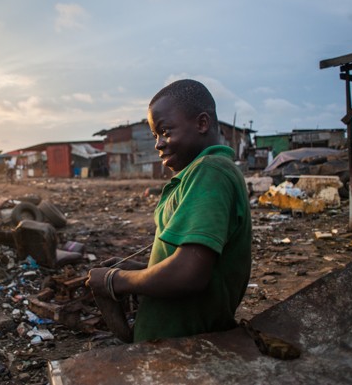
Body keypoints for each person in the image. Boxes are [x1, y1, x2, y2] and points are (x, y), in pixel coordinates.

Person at [86, 79, 252, 343]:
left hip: (181, 347)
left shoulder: (210, 172)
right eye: (155, 136)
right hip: (173, 341)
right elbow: (204, 267)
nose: (158, 144)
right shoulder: (197, 174)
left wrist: (116, 281)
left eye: (165, 131)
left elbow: (190, 275)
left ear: (202, 123)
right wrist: (142, 268)